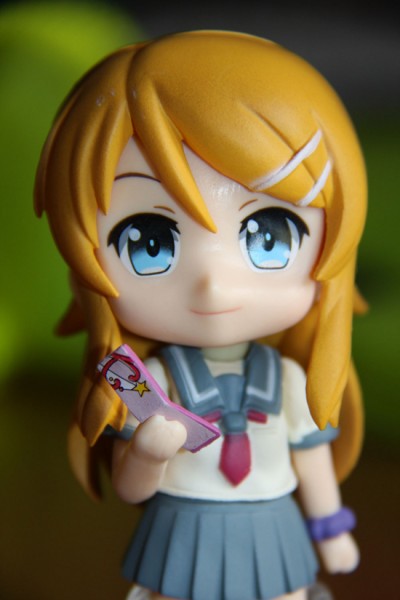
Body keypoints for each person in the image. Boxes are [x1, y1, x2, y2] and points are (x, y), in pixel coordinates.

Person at [35, 30, 367, 600]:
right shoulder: (151, 383)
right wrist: (148, 451)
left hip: (272, 528)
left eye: (268, 235)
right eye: (150, 242)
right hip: (182, 528)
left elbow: (310, 457)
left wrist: (329, 526)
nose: (213, 281)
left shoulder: (288, 380)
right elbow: (134, 490)